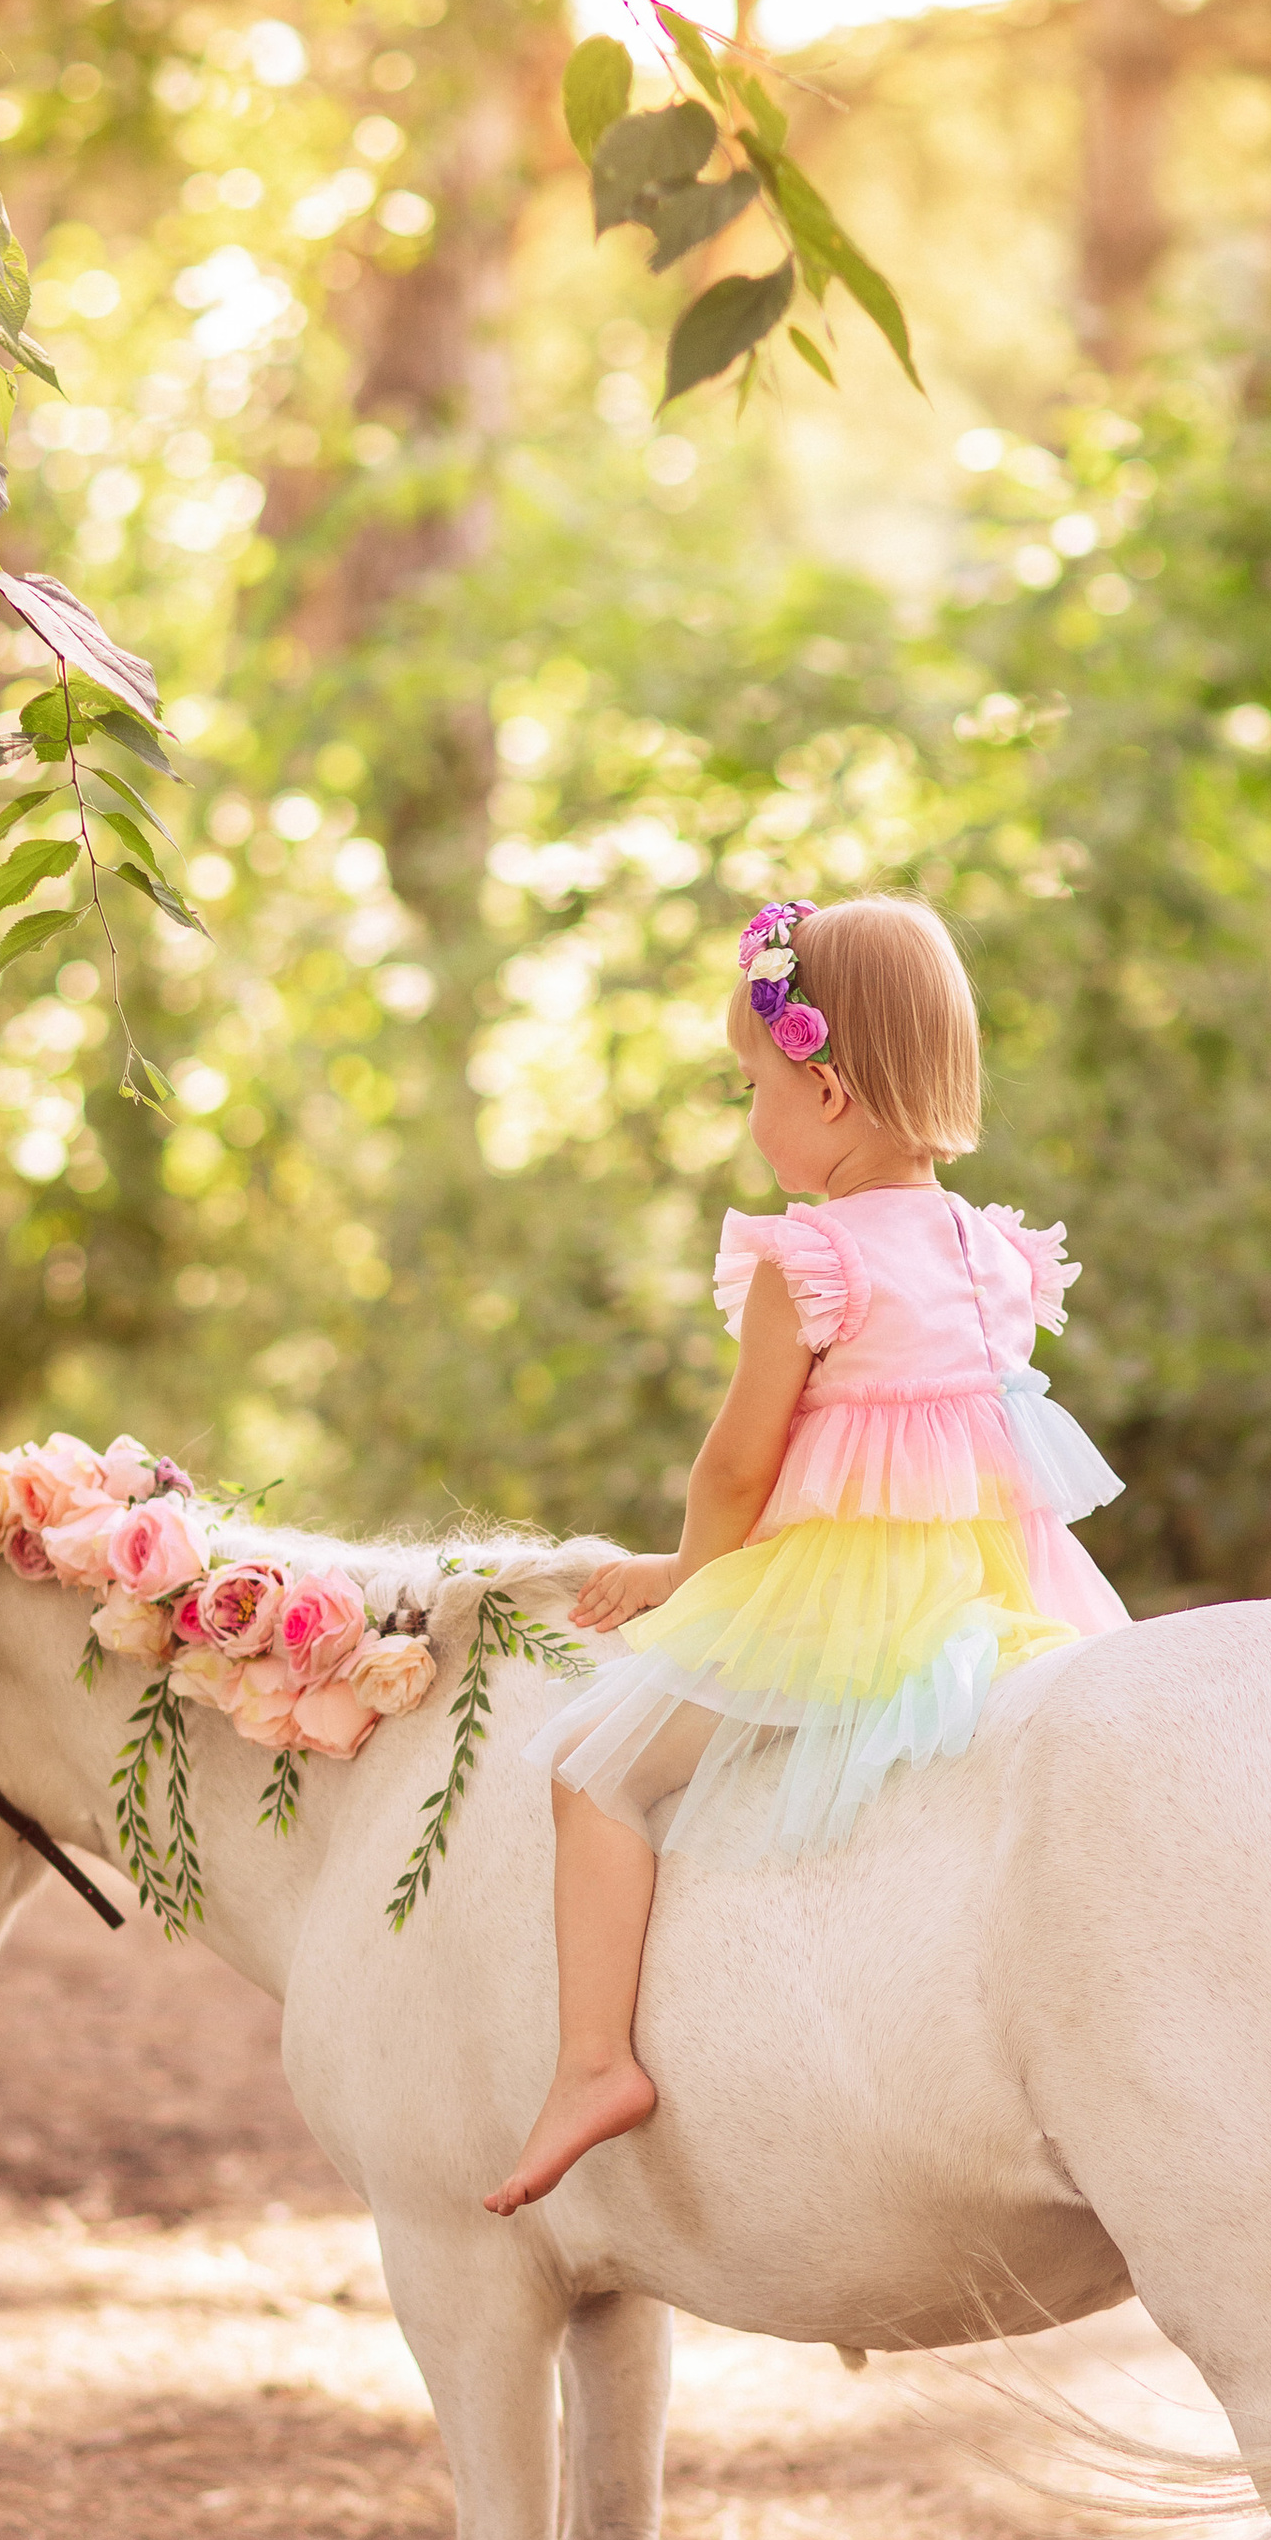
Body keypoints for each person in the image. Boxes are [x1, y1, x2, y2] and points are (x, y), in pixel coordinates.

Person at [483, 894, 1129, 2217]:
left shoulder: (812, 1256)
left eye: (750, 1086)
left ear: (825, 1088)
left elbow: (736, 1466)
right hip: (996, 1588)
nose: (750, 1116)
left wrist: (688, 1576)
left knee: (591, 1770)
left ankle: (594, 2061)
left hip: (844, 1596)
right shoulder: (996, 1251)